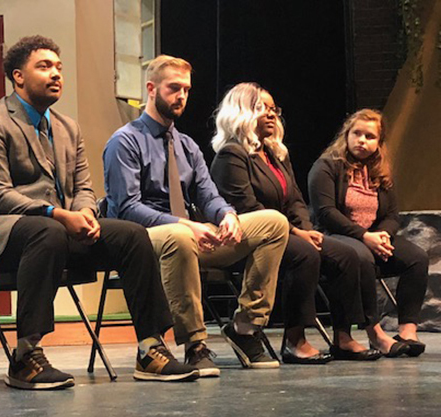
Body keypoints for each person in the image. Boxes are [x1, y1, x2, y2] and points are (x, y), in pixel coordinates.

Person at [0, 36, 198, 389]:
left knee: (132, 235)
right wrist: (57, 215)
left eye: (59, 67)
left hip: (60, 230)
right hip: (6, 233)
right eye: (44, 66)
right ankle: (26, 355)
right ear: (18, 77)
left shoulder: (67, 127)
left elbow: (84, 188)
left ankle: (150, 348)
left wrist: (86, 214)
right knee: (46, 230)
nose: (56, 74)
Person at [104, 56, 289, 371]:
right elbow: (127, 208)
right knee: (179, 235)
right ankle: (195, 344)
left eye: (186, 90)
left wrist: (227, 215)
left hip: (188, 235)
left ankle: (246, 327)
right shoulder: (125, 141)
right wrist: (185, 225)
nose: (181, 96)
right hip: (143, 240)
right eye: (174, 88)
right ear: (151, 89)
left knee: (274, 223)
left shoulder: (187, 145)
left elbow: (208, 194)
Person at [210, 83, 381, 363]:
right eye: (261, 108)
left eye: (273, 108)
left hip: (290, 233)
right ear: (241, 112)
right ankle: (295, 340)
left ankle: (343, 337)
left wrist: (307, 229)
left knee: (346, 255)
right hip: (250, 238)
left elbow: (296, 201)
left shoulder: (276, 155)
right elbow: (246, 207)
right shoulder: (232, 155)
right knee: (304, 254)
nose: (271, 114)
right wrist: (297, 233)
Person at [309, 108, 428, 357]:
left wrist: (382, 235)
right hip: (333, 237)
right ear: (347, 135)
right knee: (360, 256)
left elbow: (392, 215)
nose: (362, 140)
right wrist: (365, 237)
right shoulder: (326, 167)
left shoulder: (379, 172)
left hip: (372, 238)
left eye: (370, 136)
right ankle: (375, 334)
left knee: (417, 258)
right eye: (357, 134)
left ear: (379, 142)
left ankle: (407, 331)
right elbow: (326, 213)